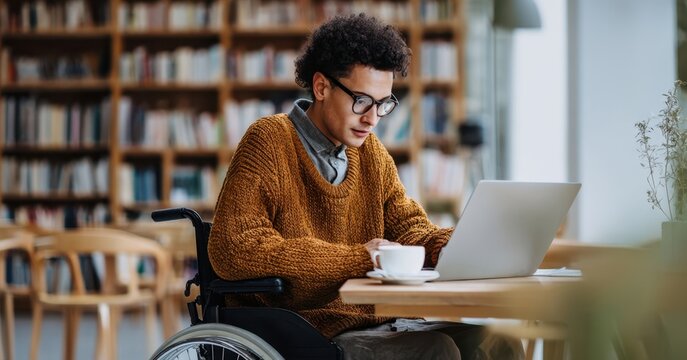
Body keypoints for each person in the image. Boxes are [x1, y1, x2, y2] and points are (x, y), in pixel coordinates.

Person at [208, 13, 523, 360]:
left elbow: (410, 228)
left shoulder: (371, 153)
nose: (373, 118)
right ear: (321, 87)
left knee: (499, 342)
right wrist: (360, 258)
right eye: (362, 100)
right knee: (437, 350)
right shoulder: (269, 141)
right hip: (303, 328)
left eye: (383, 103)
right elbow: (234, 248)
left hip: (377, 319)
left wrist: (453, 245)